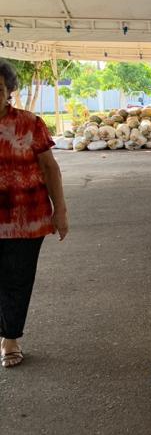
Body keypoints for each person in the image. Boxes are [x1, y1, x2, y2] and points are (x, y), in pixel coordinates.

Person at [0, 58, 69, 368]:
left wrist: (61, 212)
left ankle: (10, 338)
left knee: (17, 280)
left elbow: (49, 167)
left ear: (9, 90)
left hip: (28, 220)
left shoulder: (30, 123)